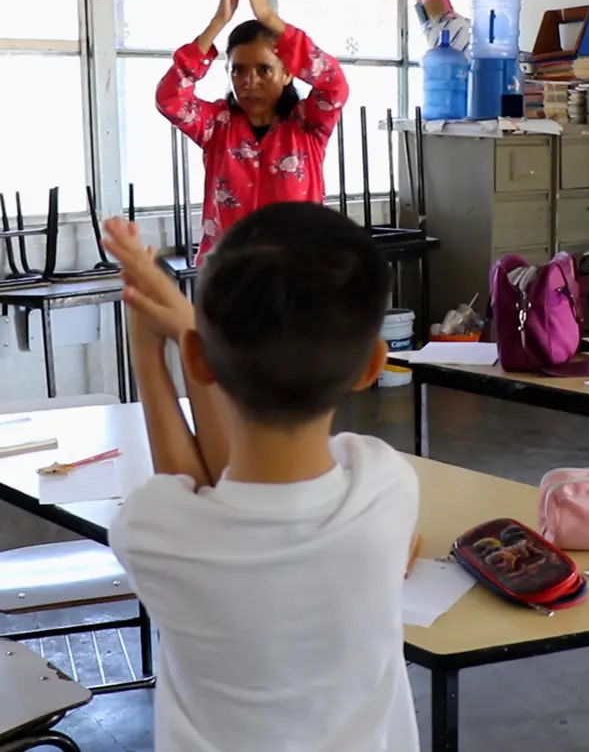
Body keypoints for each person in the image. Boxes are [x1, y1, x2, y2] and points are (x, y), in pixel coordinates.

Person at [100, 203, 420, 752]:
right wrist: (185, 329)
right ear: (373, 367)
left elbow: (215, 490)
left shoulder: (148, 531)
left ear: (200, 359)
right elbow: (238, 485)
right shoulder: (387, 487)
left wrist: (152, 351)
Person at [156, 0, 349, 264]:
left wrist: (271, 20)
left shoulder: (307, 124)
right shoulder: (216, 125)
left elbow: (334, 84)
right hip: (229, 281)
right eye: (238, 70)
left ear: (288, 72)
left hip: (299, 278)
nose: (250, 81)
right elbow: (170, 98)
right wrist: (219, 20)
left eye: (264, 69)